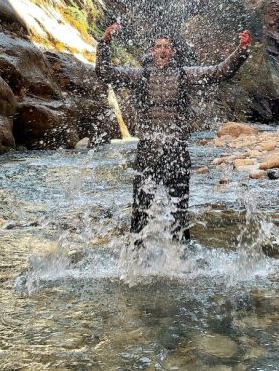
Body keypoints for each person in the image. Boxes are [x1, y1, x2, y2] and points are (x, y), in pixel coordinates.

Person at [96, 22, 251, 242]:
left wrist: (241, 50)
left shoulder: (185, 75)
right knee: (140, 212)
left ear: (173, 52)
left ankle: (182, 262)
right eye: (158, 46)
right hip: (148, 149)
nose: (162, 50)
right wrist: (105, 43)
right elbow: (104, 73)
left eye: (166, 46)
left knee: (180, 214)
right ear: (152, 51)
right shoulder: (140, 75)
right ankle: (135, 262)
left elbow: (219, 72)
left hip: (176, 150)